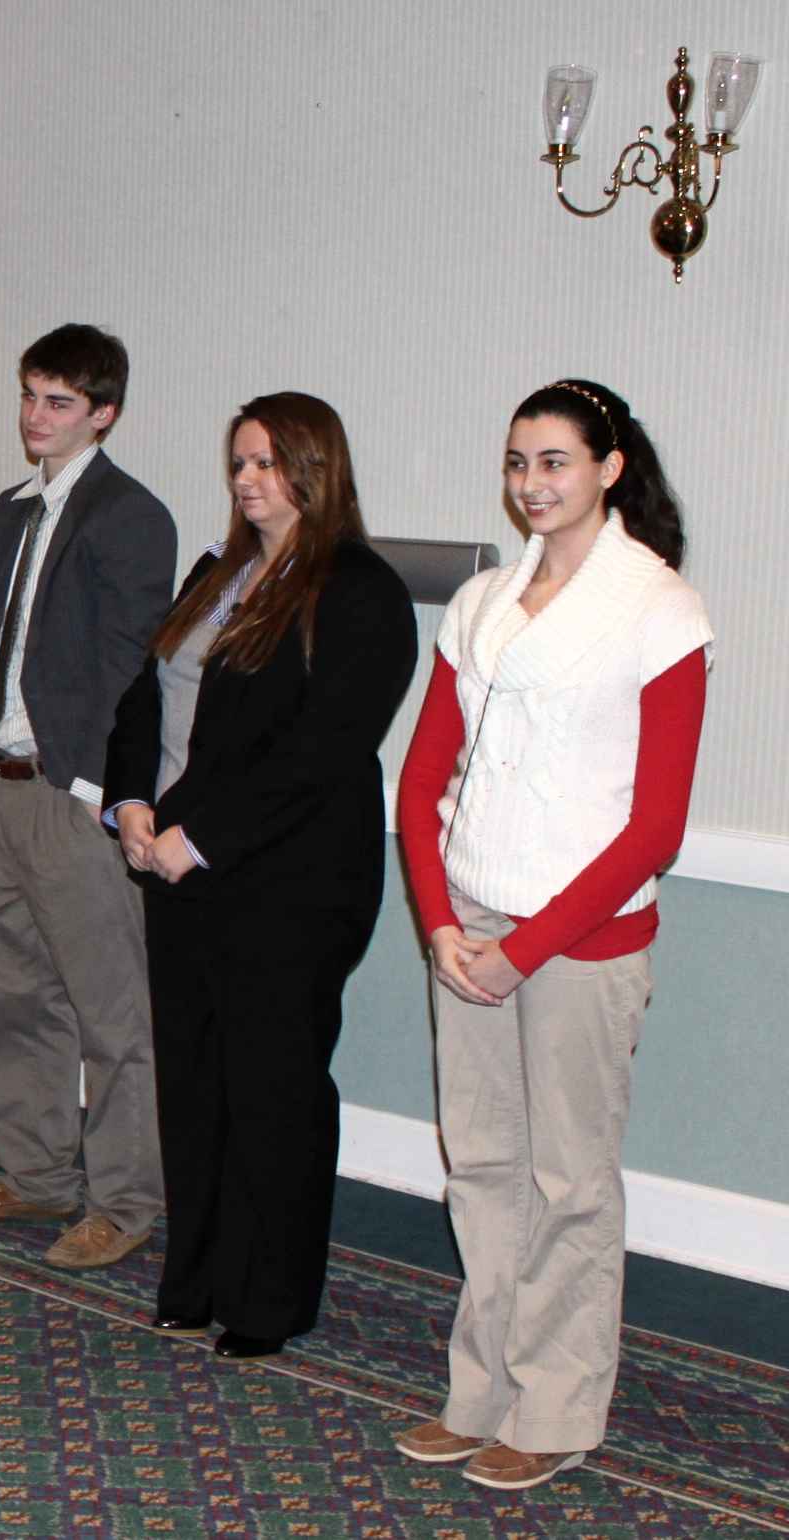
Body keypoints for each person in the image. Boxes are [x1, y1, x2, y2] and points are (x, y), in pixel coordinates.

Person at [391, 381, 711, 1492]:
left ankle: (561, 1405)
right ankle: (479, 1388)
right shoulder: (479, 601)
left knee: (569, 1178)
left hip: (583, 935)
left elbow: (654, 826)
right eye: (519, 462)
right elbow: (424, 778)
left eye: (556, 462)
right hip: (469, 918)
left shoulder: (659, 608)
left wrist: (524, 949)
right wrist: (440, 920)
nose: (533, 483)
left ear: (609, 469)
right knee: (481, 1167)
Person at [104, 392, 414, 1359]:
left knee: (270, 1086)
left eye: (271, 462)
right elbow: (140, 698)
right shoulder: (218, 571)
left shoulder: (358, 588)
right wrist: (133, 805)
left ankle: (267, 1298)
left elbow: (320, 751)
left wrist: (201, 837)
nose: (249, 480)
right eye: (240, 462)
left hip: (290, 883)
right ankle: (194, 1277)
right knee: (194, 1079)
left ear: (316, 470)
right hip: (179, 867)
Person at [0, 324, 175, 1269]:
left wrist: (94, 788)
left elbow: (129, 665)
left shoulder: (131, 515)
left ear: (104, 413)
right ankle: (34, 1174)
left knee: (113, 1015)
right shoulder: (9, 509)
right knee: (14, 993)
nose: (37, 416)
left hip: (68, 797)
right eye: (30, 395)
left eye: (59, 402)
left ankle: (123, 1200)